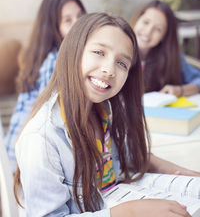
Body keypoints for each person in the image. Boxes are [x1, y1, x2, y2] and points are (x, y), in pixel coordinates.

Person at [14, 13, 199, 217]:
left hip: (116, 192)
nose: (109, 69)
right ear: (72, 51)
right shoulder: (41, 138)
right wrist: (129, 212)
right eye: (99, 52)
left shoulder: (102, 109)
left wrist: (174, 170)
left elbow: (124, 156)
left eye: (122, 63)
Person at [4, 0, 86, 172]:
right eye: (68, 20)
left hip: (17, 152)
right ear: (53, 28)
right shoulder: (55, 60)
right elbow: (55, 118)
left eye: (80, 15)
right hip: (25, 161)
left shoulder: (43, 56)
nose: (78, 23)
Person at [130, 0, 200, 96]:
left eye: (158, 29)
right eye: (146, 22)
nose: (148, 32)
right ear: (137, 20)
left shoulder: (173, 58)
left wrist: (180, 90)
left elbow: (198, 80)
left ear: (164, 36)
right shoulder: (118, 51)